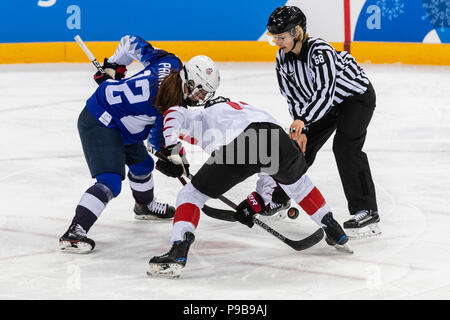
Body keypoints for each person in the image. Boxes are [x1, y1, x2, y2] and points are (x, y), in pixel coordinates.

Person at [146, 68, 351, 277]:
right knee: (299, 185)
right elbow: (267, 167)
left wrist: (171, 150)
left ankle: (179, 249)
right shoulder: (244, 108)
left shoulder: (201, 114)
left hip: (242, 143)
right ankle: (333, 229)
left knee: (190, 195)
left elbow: (173, 113)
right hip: (277, 137)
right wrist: (257, 201)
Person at [58, 35, 218, 253]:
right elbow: (158, 142)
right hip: (100, 121)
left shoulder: (170, 62)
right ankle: (75, 231)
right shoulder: (169, 104)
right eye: (200, 91)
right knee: (110, 181)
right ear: (189, 82)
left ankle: (144, 206)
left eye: (205, 94)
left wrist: (114, 66)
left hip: (123, 122)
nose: (200, 98)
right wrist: (172, 159)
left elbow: (130, 42)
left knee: (142, 166)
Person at [265, 6, 381, 238]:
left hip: (354, 99)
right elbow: (293, 96)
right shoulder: (282, 58)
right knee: (296, 148)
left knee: (346, 147)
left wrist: (304, 120)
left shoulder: (320, 51)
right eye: (274, 38)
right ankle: (278, 199)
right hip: (321, 107)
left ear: (297, 32)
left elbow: (324, 93)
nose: (277, 42)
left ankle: (366, 210)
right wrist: (303, 128)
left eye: (281, 37)